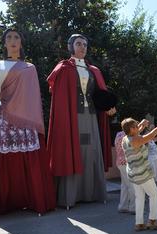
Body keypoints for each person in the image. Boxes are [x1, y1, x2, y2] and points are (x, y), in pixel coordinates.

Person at [0, 29, 56, 220]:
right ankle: (0, 205)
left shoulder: (29, 67)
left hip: (26, 120)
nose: (13, 41)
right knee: (3, 163)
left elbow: (33, 99)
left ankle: (34, 201)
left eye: (17, 38)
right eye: (9, 38)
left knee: (27, 160)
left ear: (21, 44)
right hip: (3, 118)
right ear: (4, 44)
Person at [47, 34, 116, 209]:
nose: (82, 47)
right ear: (71, 46)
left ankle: (93, 193)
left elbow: (101, 93)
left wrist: (109, 106)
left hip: (92, 116)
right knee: (74, 150)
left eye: (85, 44)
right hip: (72, 117)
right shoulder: (63, 68)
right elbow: (58, 96)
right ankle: (70, 197)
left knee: (92, 150)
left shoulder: (94, 70)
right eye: (78, 44)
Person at [121, 118, 157, 232]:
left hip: (134, 174)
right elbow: (151, 135)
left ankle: (139, 223)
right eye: (135, 126)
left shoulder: (125, 138)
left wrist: (141, 125)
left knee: (139, 197)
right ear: (131, 129)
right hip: (142, 173)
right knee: (154, 194)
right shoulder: (136, 140)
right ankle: (152, 221)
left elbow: (135, 133)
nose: (138, 127)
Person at [114, 131, 135, 214]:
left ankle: (123, 206)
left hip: (119, 161)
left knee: (124, 185)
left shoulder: (118, 134)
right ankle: (133, 207)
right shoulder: (129, 136)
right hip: (127, 162)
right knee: (131, 185)